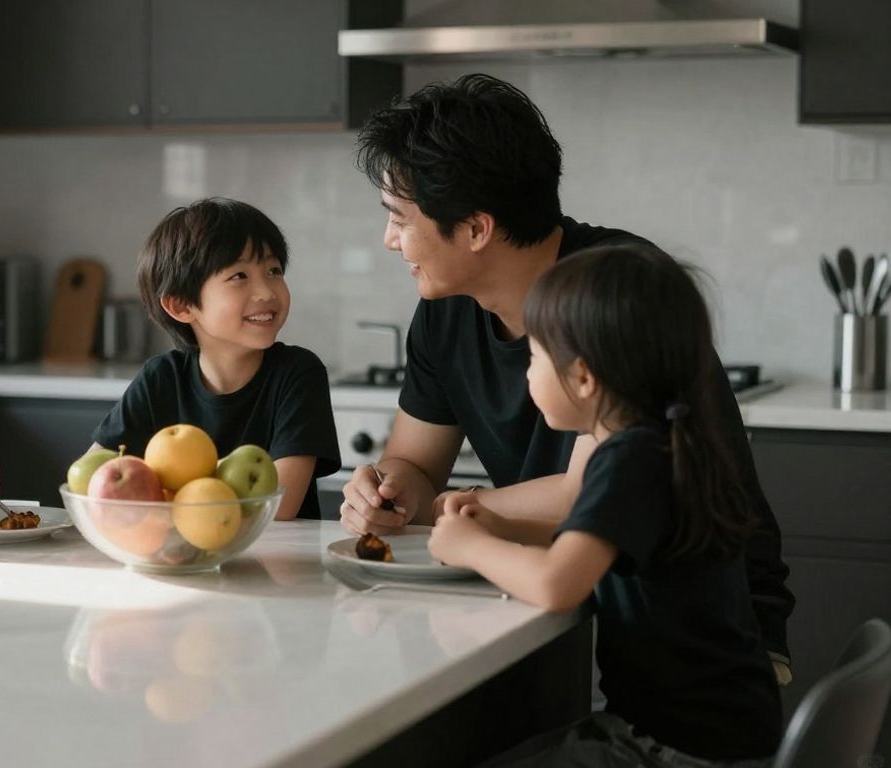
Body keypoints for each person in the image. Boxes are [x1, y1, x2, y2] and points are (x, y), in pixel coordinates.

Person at [340, 73, 794, 679]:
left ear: (477, 228)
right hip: (575, 610)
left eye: (399, 218)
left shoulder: (617, 293)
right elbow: (414, 468)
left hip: (689, 644)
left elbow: (595, 487)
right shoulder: (444, 310)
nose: (390, 240)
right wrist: (389, 496)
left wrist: (465, 513)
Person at [430, 245, 782, 765]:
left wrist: (472, 546)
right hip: (720, 732)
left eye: (534, 357)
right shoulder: (662, 440)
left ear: (585, 377)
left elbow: (558, 583)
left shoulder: (630, 460)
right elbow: (591, 541)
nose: (527, 375)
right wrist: (503, 525)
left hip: (677, 749)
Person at [91, 197, 340, 520]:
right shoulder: (160, 378)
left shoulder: (298, 373)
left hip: (279, 564)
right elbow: (93, 483)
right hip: (176, 559)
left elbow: (279, 506)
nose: (266, 291)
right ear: (182, 306)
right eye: (239, 276)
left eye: (273, 270)